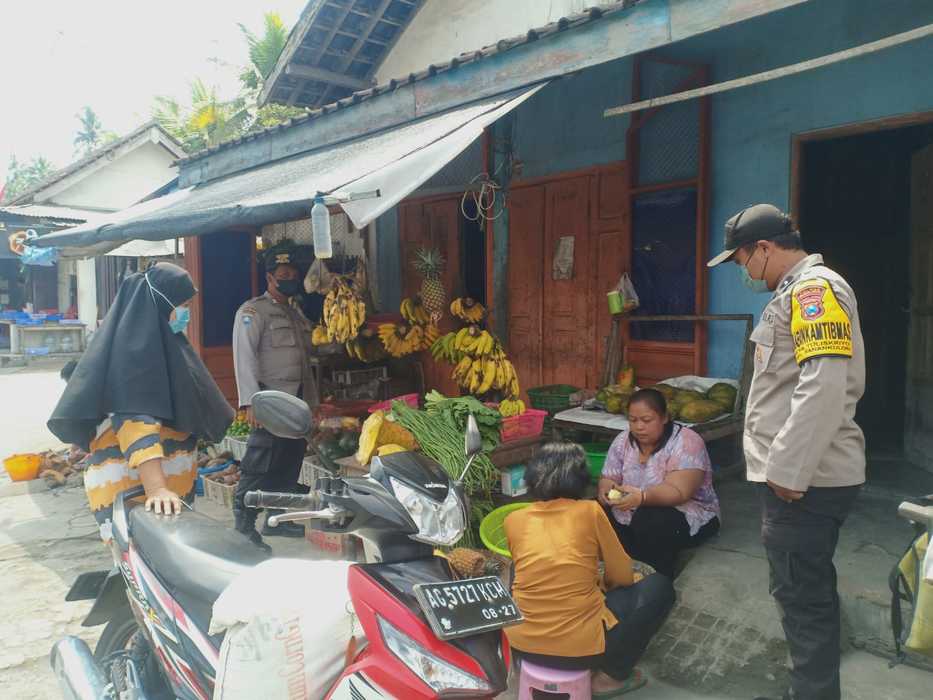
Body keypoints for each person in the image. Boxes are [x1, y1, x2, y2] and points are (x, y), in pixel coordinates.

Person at [707, 203, 865, 700]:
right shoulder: (793, 293)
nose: (744, 272)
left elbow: (823, 386)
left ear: (763, 249)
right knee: (799, 594)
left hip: (804, 481)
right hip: (797, 477)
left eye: (741, 261)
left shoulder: (815, 290)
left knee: (803, 600)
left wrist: (788, 471)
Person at [47, 263, 234, 542]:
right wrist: (157, 488)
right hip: (137, 493)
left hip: (162, 494)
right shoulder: (134, 355)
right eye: (183, 305)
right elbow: (136, 423)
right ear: (163, 303)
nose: (187, 314)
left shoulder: (167, 345)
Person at [505, 442, 675, 698]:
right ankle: (609, 678)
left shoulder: (514, 520)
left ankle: (521, 669)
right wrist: (605, 586)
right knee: (659, 587)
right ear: (580, 480)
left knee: (517, 571)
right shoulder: (590, 511)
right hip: (580, 652)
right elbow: (621, 574)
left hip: (520, 645)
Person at [232, 240, 317, 548]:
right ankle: (243, 526)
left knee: (288, 461)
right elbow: (243, 355)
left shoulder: (293, 313)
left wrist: (313, 403)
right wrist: (249, 401)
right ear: (270, 277)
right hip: (269, 401)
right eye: (283, 275)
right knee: (259, 463)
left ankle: (276, 519)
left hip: (295, 400)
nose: (290, 278)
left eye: (293, 273)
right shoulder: (254, 311)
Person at [597, 389, 721, 578]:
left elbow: (679, 491)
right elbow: (609, 477)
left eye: (646, 420)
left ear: (664, 417)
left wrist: (642, 497)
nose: (639, 427)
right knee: (591, 510)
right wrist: (606, 491)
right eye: (633, 420)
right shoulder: (623, 440)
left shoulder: (687, 442)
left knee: (649, 520)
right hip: (631, 509)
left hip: (687, 513)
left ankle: (656, 580)